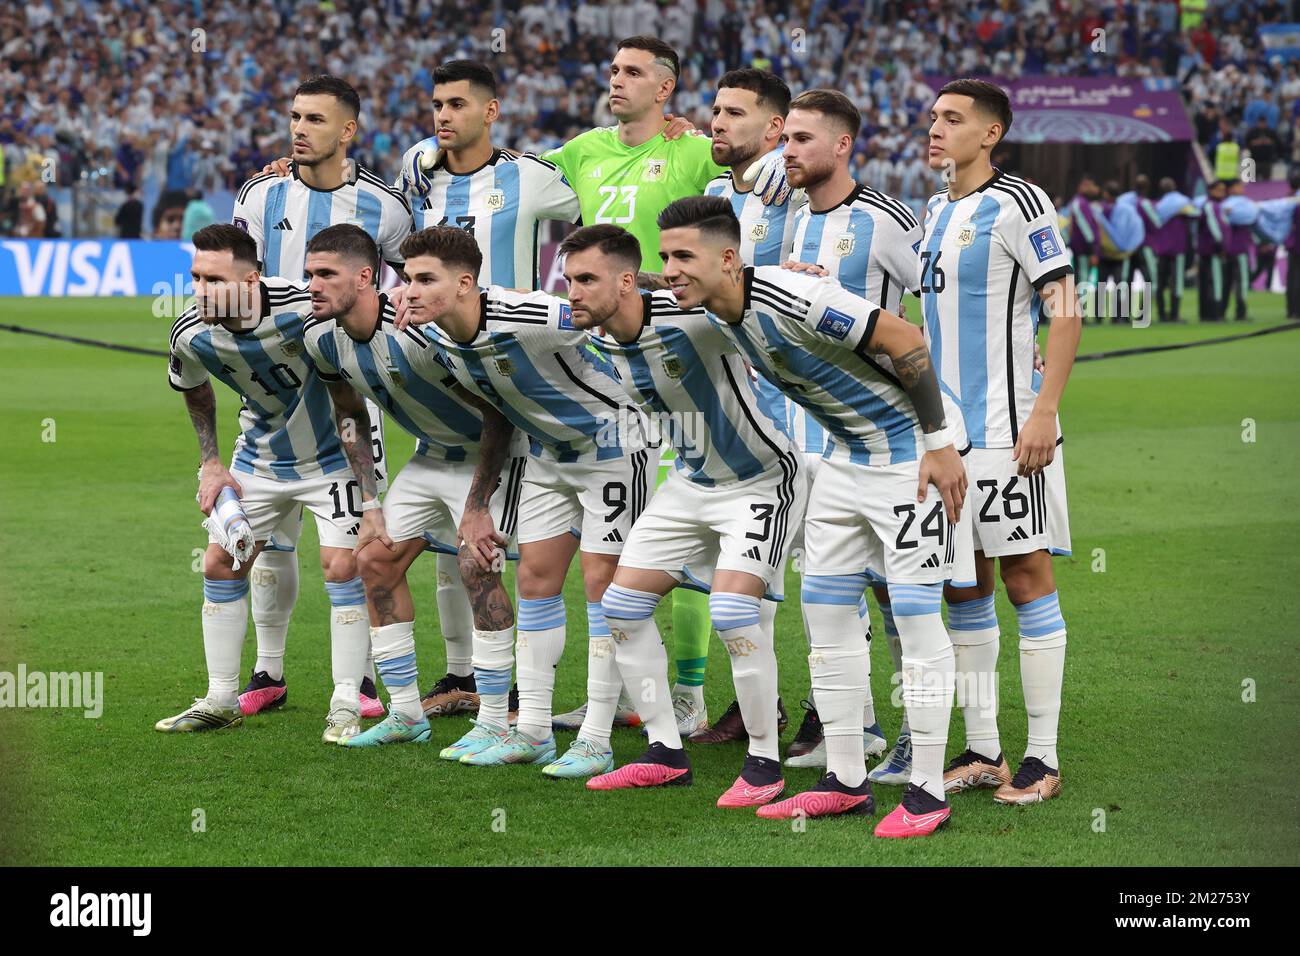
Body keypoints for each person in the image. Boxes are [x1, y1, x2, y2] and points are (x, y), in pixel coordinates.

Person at [655, 195, 967, 837]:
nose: (672, 268)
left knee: (914, 617)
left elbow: (906, 338)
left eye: (684, 256)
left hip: (911, 459)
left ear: (730, 258)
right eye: (665, 257)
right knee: (825, 617)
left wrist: (938, 446)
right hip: (844, 461)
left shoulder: (789, 297)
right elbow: (647, 292)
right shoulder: (717, 302)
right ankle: (846, 779)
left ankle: (929, 791)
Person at [540, 36, 788, 741]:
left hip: (691, 354)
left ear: (666, 90)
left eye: (632, 71)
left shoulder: (694, 153)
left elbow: (763, 162)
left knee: (694, 533)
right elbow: (509, 171)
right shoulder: (583, 150)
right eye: (612, 69)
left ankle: (693, 696)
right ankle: (630, 697)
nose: (614, 80)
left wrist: (762, 163)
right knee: (635, 538)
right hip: (610, 356)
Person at [396, 225, 655, 778]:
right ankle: (533, 730)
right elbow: (494, 414)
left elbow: (609, 297)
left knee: (601, 586)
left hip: (614, 444)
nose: (409, 291)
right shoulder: (438, 337)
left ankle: (596, 739)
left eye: (424, 279)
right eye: (405, 279)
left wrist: (680, 283)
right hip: (544, 456)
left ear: (465, 283)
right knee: (534, 580)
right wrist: (477, 502)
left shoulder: (532, 315)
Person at [561, 223, 805, 806]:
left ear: (622, 282)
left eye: (585, 280)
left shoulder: (694, 316)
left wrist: (785, 276)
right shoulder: (594, 332)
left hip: (761, 479)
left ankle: (765, 766)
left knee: (733, 612)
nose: (572, 292)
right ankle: (666, 752)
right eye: (569, 279)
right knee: (619, 604)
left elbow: (735, 291)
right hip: (690, 482)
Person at [299, 224, 526, 745]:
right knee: (373, 559)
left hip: (495, 456)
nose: (313, 284)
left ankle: (493, 720)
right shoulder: (322, 339)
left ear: (364, 278)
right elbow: (350, 417)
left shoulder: (420, 331)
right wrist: (370, 502)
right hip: (430, 458)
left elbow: (498, 414)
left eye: (325, 274)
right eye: (309, 273)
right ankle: (405, 715)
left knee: (476, 566)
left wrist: (475, 506)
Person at [921, 78, 1081, 805]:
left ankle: (1042, 760)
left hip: (1009, 434)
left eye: (953, 119)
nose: (935, 129)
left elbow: (1066, 305)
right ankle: (984, 748)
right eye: (932, 117)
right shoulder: (933, 210)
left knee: (1024, 579)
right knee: (965, 587)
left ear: (991, 134)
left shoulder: (1020, 203)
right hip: (946, 440)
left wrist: (1045, 410)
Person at [232, 74, 410, 718]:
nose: (299, 129)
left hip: (352, 397)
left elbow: (409, 284)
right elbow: (235, 276)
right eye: (294, 117)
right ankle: (267, 673)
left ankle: (358, 683)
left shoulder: (385, 207)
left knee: (354, 549)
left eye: (314, 119)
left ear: (348, 131)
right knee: (265, 546)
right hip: (274, 398)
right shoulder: (261, 192)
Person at [157, 224, 369, 742]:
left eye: (214, 279)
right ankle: (220, 698)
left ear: (251, 279)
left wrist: (367, 480)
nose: (200, 290)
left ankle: (346, 700)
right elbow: (195, 390)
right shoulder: (190, 333)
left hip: (333, 457)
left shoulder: (305, 308)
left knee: (342, 567)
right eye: (195, 278)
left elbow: (354, 383)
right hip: (260, 458)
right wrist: (210, 461)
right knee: (221, 561)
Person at [777, 88, 928, 780]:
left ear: (842, 145)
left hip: (887, 435)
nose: (789, 151)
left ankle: (914, 735)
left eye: (803, 139)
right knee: (830, 585)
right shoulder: (792, 223)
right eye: (785, 139)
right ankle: (858, 723)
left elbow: (934, 308)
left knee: (900, 594)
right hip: (818, 434)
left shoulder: (887, 220)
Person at [1197, 179, 1229, 322]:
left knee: (1206, 281)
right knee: (1215, 281)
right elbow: (1214, 227)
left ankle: (1206, 314)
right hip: (1212, 250)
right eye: (1219, 190)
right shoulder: (1211, 205)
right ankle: (1215, 313)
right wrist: (1220, 246)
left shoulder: (1215, 205)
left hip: (1207, 249)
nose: (1222, 193)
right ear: (1211, 191)